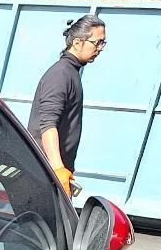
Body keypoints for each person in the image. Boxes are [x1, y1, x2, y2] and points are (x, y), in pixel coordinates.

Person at [28, 15, 106, 197]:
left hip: (51, 174)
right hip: (43, 175)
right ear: (78, 43)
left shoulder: (70, 72)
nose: (100, 48)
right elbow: (47, 125)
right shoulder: (61, 75)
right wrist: (57, 168)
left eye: (103, 43)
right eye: (97, 42)